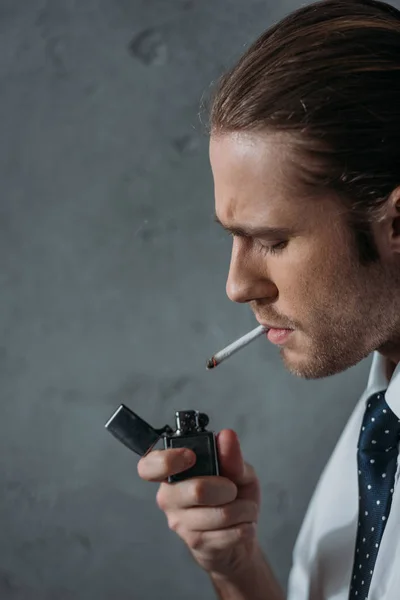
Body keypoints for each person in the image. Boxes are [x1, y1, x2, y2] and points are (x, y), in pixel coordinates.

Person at [137, 0, 400, 598]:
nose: (237, 287)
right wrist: (237, 568)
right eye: (235, 238)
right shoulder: (383, 421)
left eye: (273, 240)